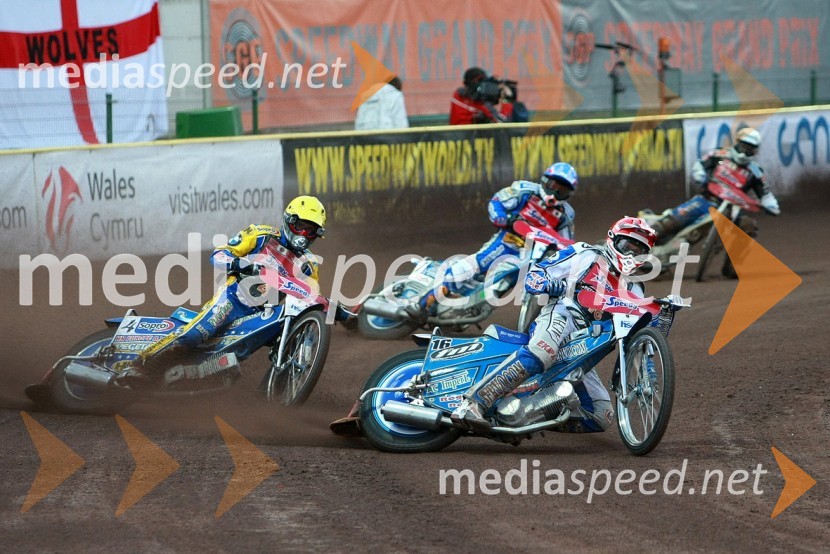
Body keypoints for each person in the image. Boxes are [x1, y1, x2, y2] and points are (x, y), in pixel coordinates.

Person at [451, 216, 659, 433]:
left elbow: (637, 334)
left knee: (600, 415)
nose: (630, 254)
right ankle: (474, 403)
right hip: (563, 315)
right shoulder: (586, 254)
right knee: (544, 352)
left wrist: (649, 367)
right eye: (627, 245)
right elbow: (536, 274)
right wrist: (547, 283)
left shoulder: (636, 289)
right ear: (612, 239)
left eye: (638, 250)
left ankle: (524, 414)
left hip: (586, 346)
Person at [119, 196, 340, 381]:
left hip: (265, 314)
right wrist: (240, 264)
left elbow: (310, 296)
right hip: (233, 298)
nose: (303, 234)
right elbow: (218, 255)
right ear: (289, 220)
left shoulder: (310, 265)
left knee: (231, 366)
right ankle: (141, 365)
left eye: (310, 231)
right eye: (300, 226)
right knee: (198, 333)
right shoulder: (260, 234)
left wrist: (340, 312)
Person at [413, 162, 579, 318]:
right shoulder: (525, 190)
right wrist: (504, 219)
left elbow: (565, 244)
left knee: (508, 286)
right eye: (554, 186)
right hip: (509, 241)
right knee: (474, 266)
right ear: (545, 181)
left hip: (534, 254)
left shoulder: (566, 214)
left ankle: (472, 306)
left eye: (562, 190)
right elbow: (497, 201)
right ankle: (422, 305)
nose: (556, 192)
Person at [650, 127, 780, 246]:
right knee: (671, 222)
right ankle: (641, 242)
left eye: (750, 149)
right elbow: (700, 164)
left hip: (731, 212)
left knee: (748, 226)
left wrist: (771, 205)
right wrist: (700, 174)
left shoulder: (755, 171)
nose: (746, 152)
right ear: (737, 143)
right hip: (706, 200)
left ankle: (734, 268)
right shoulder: (719, 155)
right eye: (744, 146)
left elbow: (765, 193)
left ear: (755, 151)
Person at [449, 67, 514, 125]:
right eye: (480, 82)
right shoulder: (481, 105)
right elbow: (503, 124)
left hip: (455, 136)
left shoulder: (457, 95)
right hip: (470, 137)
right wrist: (507, 100)